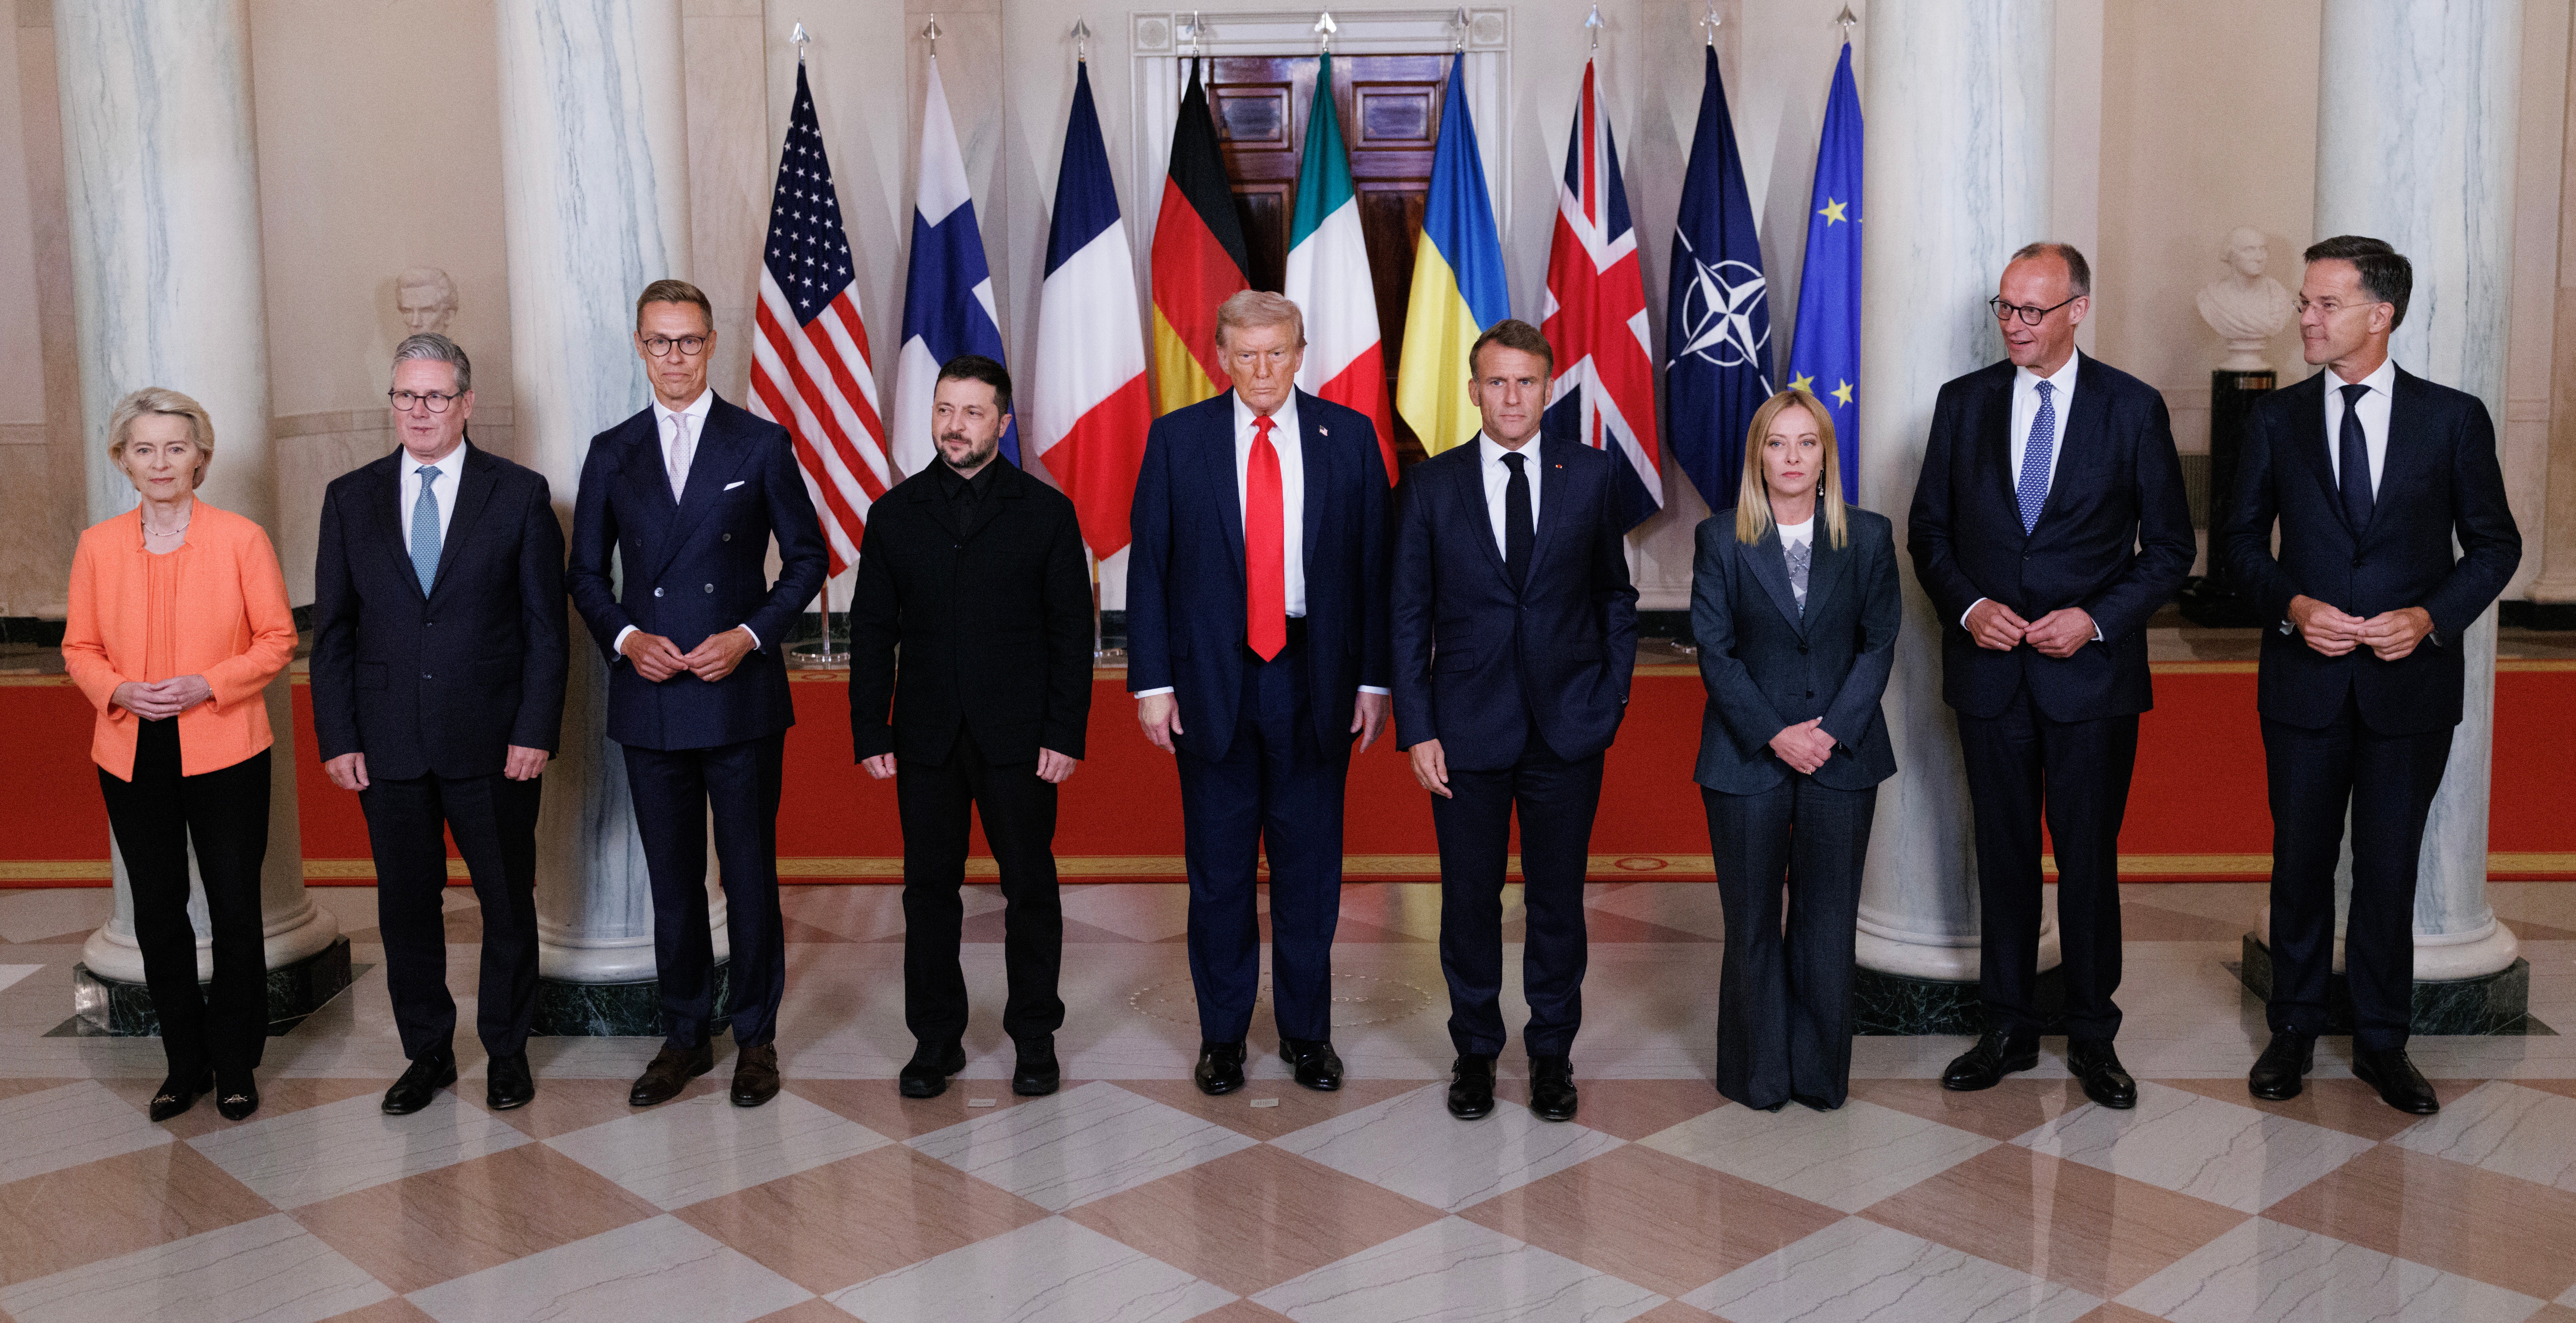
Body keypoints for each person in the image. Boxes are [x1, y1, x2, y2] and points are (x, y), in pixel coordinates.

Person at [2220, 236, 2520, 1115]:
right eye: (2304, 304)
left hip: (2408, 687)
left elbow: (2495, 544)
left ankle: (2383, 1040)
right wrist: (2292, 607)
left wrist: (2428, 617)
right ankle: (2293, 1026)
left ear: (2378, 314)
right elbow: (2237, 543)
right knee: (2301, 861)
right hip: (2301, 682)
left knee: (2387, 866)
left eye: (2323, 303)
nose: (2304, 318)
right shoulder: (2274, 420)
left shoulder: (2452, 418)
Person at [1908, 241, 2194, 1109]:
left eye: (2032, 310)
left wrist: (2097, 618)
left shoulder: (2133, 408)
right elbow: (1930, 533)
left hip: (2091, 680)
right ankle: (2005, 1026)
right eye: (2004, 308)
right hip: (1990, 674)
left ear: (2077, 310)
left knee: (2086, 859)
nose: (2014, 326)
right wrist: (1968, 609)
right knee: (2000, 855)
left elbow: (2173, 549)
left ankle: (2092, 1032)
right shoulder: (1962, 404)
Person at [567, 279, 828, 1109]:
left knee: (748, 875)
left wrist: (749, 635)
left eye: (688, 341)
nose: (674, 357)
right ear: (639, 347)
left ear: (713, 345)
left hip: (739, 694)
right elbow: (581, 573)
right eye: (659, 342)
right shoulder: (612, 451)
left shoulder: (759, 443)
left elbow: (807, 559)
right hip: (651, 693)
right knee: (672, 880)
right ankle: (683, 1036)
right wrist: (625, 640)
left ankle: (756, 1038)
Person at [1127, 289, 1393, 1096]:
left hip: (1315, 676)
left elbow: (1375, 572)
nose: (1263, 369)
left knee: (1310, 873)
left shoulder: (1348, 439)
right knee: (1218, 874)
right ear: (1220, 356)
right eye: (1246, 354)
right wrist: (1151, 684)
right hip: (1212, 681)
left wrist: (1374, 679)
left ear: (1301, 352)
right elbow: (1150, 571)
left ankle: (1308, 1036)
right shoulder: (1178, 441)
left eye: (1277, 352)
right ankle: (1223, 1038)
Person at [310, 334, 566, 1116]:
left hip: (493, 741)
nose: (418, 412)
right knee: (405, 905)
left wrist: (535, 730)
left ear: (466, 404)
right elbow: (335, 633)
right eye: (404, 397)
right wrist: (339, 735)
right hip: (386, 745)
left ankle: (507, 1051)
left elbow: (545, 631)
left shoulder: (519, 494)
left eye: (434, 397)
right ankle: (427, 1053)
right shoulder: (349, 497)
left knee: (505, 902)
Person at [1391, 319, 1637, 1123]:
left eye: (1526, 382)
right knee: (1469, 901)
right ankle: (1474, 1053)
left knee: (1558, 901)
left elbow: (1614, 597)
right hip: (1464, 731)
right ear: (1473, 391)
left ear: (1547, 387)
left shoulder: (1591, 475)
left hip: (1568, 727)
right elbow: (1408, 616)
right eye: (1495, 382)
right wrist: (1418, 728)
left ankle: (1551, 1055)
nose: (1511, 397)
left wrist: (1612, 698)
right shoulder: (1432, 486)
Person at [848, 355, 1093, 1100]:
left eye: (973, 413)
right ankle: (935, 1039)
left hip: (1021, 739)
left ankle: (1034, 1039)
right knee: (928, 893)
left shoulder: (1045, 512)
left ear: (1003, 423)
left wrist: (1065, 733)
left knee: (1030, 890)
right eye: (944, 410)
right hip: (923, 738)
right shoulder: (893, 513)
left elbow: (1070, 632)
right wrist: (870, 731)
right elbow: (870, 632)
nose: (955, 426)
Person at [62, 389, 297, 1123]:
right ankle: (182, 1063)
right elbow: (78, 647)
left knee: (233, 906)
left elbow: (277, 639)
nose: (160, 462)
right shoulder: (98, 546)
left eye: (174, 447)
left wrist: (210, 682)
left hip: (225, 741)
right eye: (144, 448)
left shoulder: (241, 539)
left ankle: (234, 1064)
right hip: (132, 747)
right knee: (158, 910)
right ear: (122, 460)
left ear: (201, 456)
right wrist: (121, 690)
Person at [1692, 389, 1898, 1112]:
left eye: (1806, 443)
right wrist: (1777, 733)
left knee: (1825, 922)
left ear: (1825, 457)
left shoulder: (1868, 537)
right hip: (1746, 754)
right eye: (1777, 443)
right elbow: (1714, 654)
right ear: (1758, 455)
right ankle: (1759, 1075)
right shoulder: (1721, 540)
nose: (1791, 457)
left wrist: (1830, 732)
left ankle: (1817, 1076)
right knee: (1750, 921)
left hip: (1843, 754)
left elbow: (1878, 646)